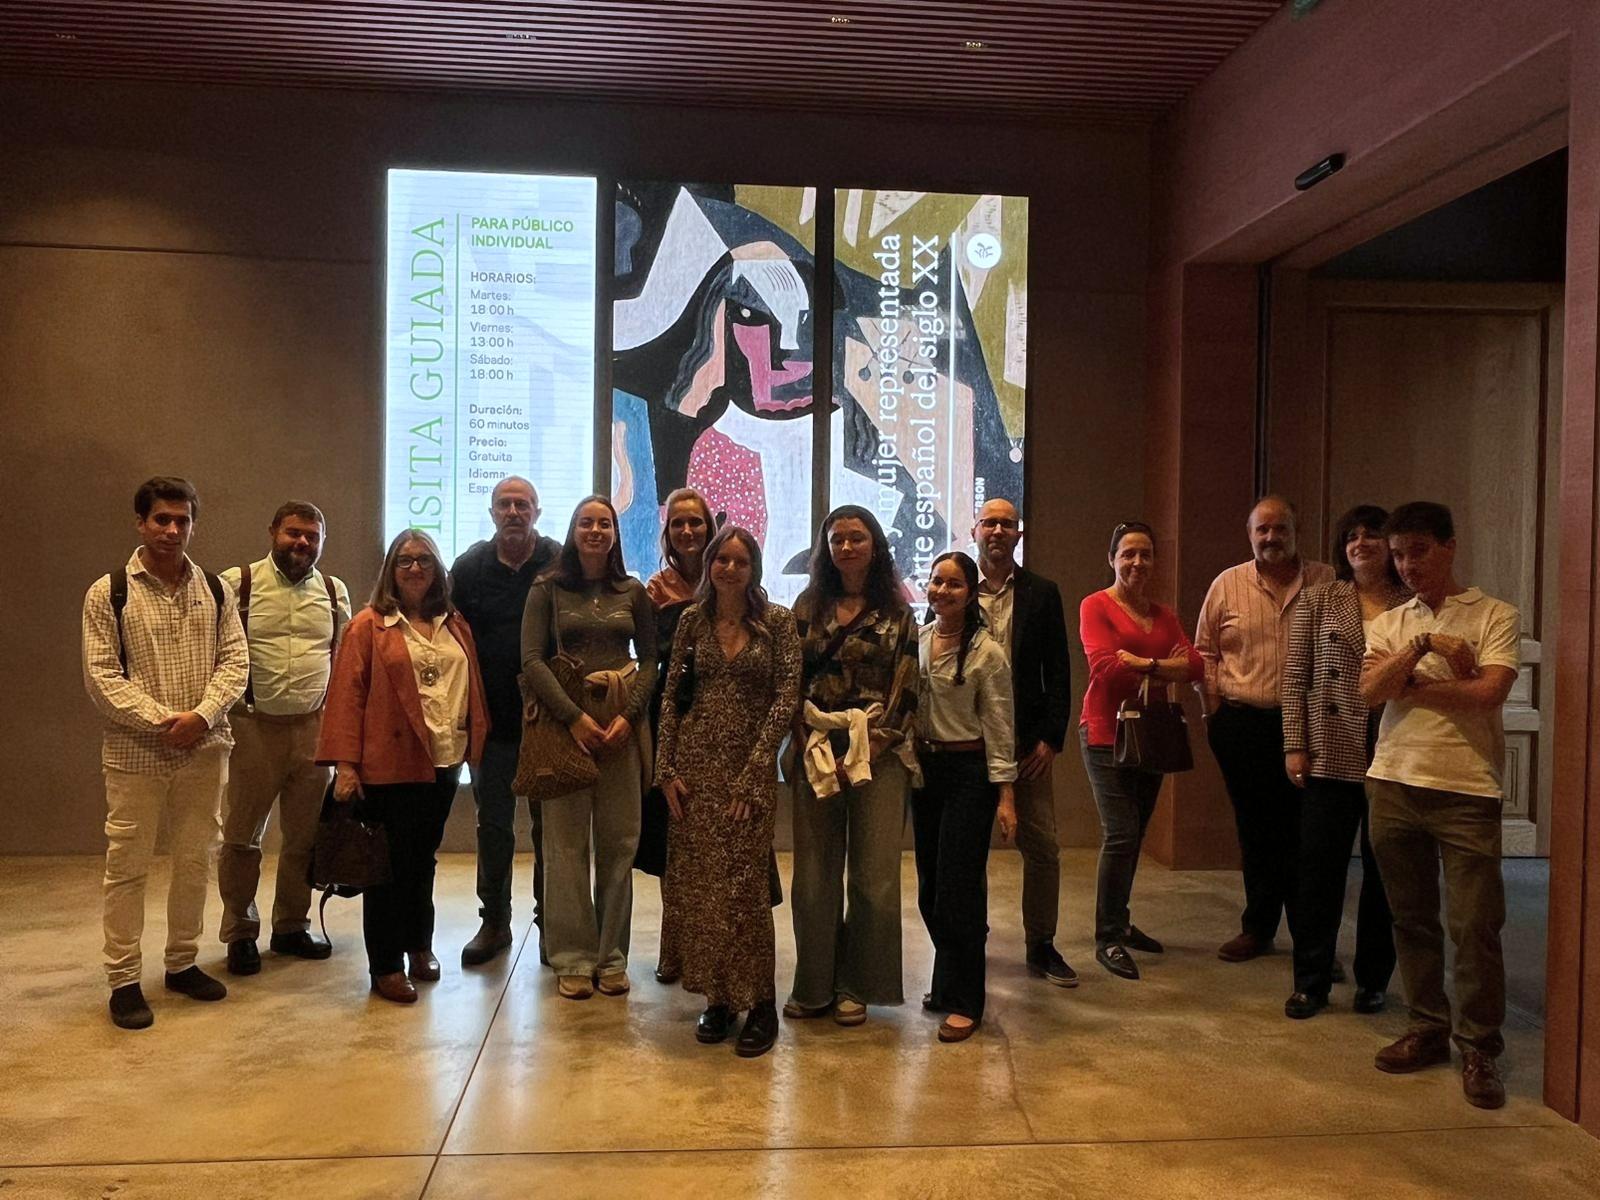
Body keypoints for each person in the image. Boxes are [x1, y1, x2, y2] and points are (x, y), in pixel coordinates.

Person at [1359, 502, 1519, 1110]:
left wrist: (1419, 686)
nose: (1407, 565)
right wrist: (1424, 643)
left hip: (1467, 789)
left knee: (1476, 925)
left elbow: (1490, 691)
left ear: (1449, 546)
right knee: (1411, 917)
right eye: (1398, 555)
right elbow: (1371, 692)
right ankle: (1427, 1026)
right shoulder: (1392, 622)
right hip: (1392, 782)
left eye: (1418, 551)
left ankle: (1479, 1046)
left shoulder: (1495, 614)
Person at [82, 476, 249, 1029]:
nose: (172, 530)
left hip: (205, 747)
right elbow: (102, 675)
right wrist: (163, 722)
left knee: (195, 860)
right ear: (141, 523)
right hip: (135, 753)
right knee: (126, 867)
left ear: (193, 525)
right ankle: (124, 979)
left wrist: (201, 716)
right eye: (161, 519)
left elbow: (235, 662)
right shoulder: (109, 592)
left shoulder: (217, 590)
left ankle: (181, 962)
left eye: (182, 520)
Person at [316, 529, 489, 1004]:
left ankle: (419, 944)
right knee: (387, 867)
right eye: (405, 561)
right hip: (388, 764)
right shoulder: (368, 626)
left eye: (425, 561)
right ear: (391, 570)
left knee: (422, 860)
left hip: (444, 759)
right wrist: (345, 766)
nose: (415, 569)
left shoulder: (454, 622)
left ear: (438, 571)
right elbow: (346, 698)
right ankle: (386, 965)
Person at [655, 526, 801, 1057]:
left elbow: (786, 698)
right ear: (711, 565)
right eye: (722, 560)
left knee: (743, 892)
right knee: (702, 892)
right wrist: (664, 770)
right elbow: (671, 697)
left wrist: (757, 770)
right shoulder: (693, 621)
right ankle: (719, 998)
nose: (730, 569)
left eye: (741, 561)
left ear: (754, 567)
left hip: (748, 775)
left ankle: (760, 1003)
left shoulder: (777, 623)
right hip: (692, 775)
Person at [786, 505, 920, 1027]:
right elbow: (789, 683)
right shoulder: (806, 606)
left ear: (875, 546)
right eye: (837, 539)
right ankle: (815, 984)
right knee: (815, 876)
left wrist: (867, 751)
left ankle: (859, 986)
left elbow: (907, 688)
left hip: (878, 758)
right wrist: (805, 742)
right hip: (815, 749)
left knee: (874, 877)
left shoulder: (898, 612)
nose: (846, 548)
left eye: (856, 538)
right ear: (826, 548)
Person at [522, 496, 656, 1000]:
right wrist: (574, 718)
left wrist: (628, 716)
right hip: (564, 729)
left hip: (620, 730)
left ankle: (612, 956)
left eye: (604, 523)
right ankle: (573, 957)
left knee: (620, 844)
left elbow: (650, 660)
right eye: (586, 523)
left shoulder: (633, 591)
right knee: (565, 845)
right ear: (574, 530)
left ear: (615, 533)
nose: (596, 530)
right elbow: (532, 661)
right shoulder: (547, 589)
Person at [1280, 505, 1408, 1019]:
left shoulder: (1412, 603)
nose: (1360, 543)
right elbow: (1296, 679)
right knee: (1319, 872)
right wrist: (1295, 743)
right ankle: (1310, 981)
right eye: (1351, 537)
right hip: (1330, 750)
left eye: (1371, 534)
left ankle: (1374, 980)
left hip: (1393, 752)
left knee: (1385, 874)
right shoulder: (1319, 599)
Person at [1195, 496, 1334, 962]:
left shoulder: (1327, 581)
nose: (1271, 538)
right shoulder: (1226, 585)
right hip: (1243, 726)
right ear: (1249, 534)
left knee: (1307, 835)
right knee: (1255, 830)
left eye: (1280, 529)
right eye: (1262, 530)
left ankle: (1311, 942)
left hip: (1312, 729)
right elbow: (1206, 652)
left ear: (1297, 531)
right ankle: (1258, 929)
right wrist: (1214, 712)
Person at [216, 501, 351, 976]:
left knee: (303, 839)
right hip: (254, 726)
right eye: (294, 533)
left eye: (312, 537)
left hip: (314, 731)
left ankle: (291, 926)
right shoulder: (237, 584)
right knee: (241, 838)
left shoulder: (334, 593)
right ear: (273, 530)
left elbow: (343, 662)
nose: (302, 543)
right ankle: (240, 931)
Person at [1077, 522, 1203, 980]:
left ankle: (1122, 922)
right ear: (1112, 559)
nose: (1137, 562)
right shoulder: (1095, 605)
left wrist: (1146, 663)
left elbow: (1195, 665)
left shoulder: (1165, 614)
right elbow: (1106, 670)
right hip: (1105, 733)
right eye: (1128, 553)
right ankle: (1108, 936)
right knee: (1122, 834)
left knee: (1135, 834)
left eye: (1145, 554)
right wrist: (1163, 668)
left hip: (1151, 734)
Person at [451, 476, 562, 967]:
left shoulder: (559, 562)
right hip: (491, 723)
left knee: (548, 827)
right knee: (493, 825)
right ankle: (494, 922)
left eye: (523, 504)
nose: (513, 512)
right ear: (492, 512)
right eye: (505, 505)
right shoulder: (469, 567)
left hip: (548, 722)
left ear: (537, 511)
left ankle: (550, 923)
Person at [971, 499, 1076, 988]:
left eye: (1006, 524)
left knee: (1044, 847)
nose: (997, 530)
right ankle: (969, 939)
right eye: (989, 522)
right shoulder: (955, 586)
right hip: (967, 740)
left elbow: (1058, 670)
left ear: (1018, 534)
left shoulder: (1042, 593)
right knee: (969, 849)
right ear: (975, 530)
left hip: (1027, 742)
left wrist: (1051, 739)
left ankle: (1042, 944)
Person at [913, 551, 1018, 1042]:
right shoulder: (920, 641)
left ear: (971, 594)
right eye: (937, 582)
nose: (942, 591)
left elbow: (999, 727)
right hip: (926, 772)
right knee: (930, 889)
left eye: (955, 584)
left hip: (969, 774)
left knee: (959, 890)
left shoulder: (987, 653)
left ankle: (967, 1000)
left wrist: (1006, 796)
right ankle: (946, 980)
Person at [639, 486, 715, 984]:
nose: (688, 531)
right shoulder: (653, 590)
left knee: (714, 839)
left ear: (711, 527)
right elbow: (648, 663)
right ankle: (674, 944)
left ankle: (710, 945)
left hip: (721, 726)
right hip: (669, 723)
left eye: (696, 522)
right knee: (673, 838)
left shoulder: (732, 575)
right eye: (678, 524)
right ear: (667, 533)